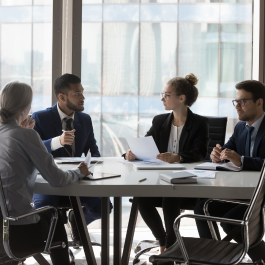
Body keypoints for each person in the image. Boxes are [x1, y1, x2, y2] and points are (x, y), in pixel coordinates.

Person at [0, 81, 90, 265]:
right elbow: (57, 179)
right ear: (26, 107)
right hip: (18, 231)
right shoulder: (26, 136)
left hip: (3, 229)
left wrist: (25, 133)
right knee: (54, 218)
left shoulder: (12, 133)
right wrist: (78, 172)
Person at [124, 74, 210, 265]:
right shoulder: (159, 121)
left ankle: (171, 249)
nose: (162, 99)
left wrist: (178, 157)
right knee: (141, 198)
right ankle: (164, 242)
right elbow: (146, 144)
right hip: (161, 178)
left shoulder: (199, 123)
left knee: (169, 198)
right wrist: (131, 154)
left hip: (188, 183)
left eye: (166, 95)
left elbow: (200, 153)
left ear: (181, 98)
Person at [31, 73, 112, 247]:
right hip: (49, 180)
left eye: (82, 92)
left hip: (78, 178)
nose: (83, 97)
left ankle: (77, 219)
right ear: (62, 97)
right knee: (45, 211)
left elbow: (94, 151)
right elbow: (33, 151)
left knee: (105, 207)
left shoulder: (85, 119)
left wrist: (93, 166)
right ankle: (54, 244)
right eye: (77, 93)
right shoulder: (40, 118)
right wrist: (56, 142)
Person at [194, 80, 265, 263]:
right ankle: (212, 259)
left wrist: (241, 160)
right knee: (202, 209)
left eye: (242, 102)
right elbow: (227, 150)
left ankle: (261, 257)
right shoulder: (240, 127)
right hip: (241, 192)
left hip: (260, 195)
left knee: (229, 222)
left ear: (259, 102)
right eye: (236, 102)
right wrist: (217, 154)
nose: (237, 107)